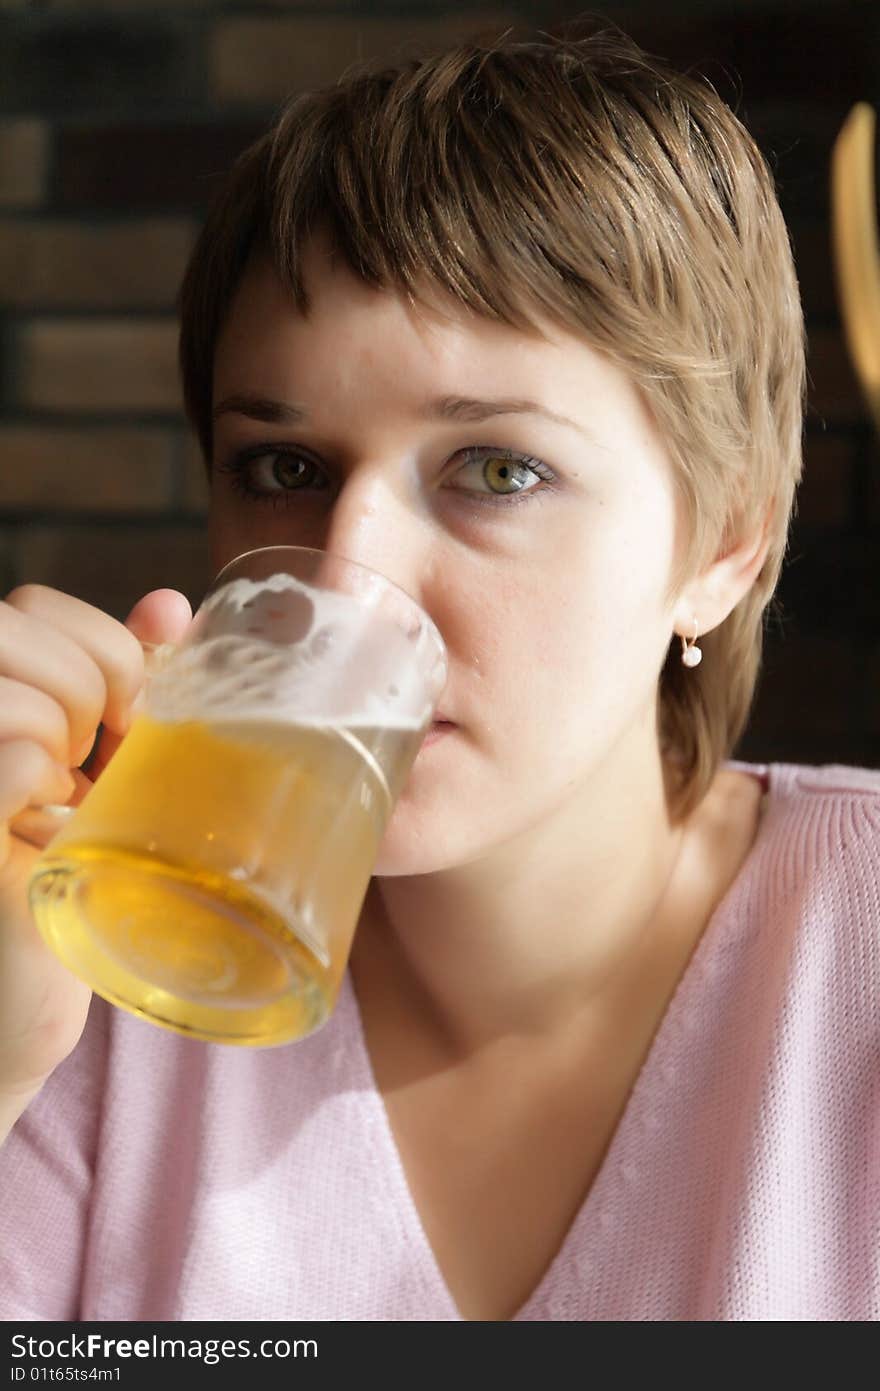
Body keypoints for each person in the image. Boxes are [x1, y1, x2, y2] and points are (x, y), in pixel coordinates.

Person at [0, 24, 877, 1323]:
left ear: (726, 548)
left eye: (499, 471)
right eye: (284, 469)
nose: (351, 573)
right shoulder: (74, 968)